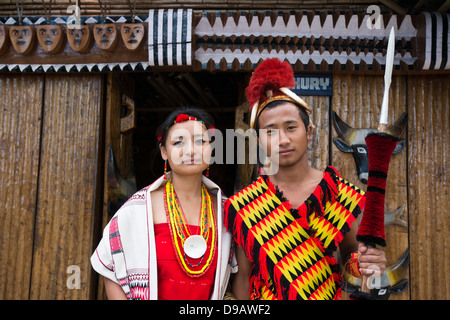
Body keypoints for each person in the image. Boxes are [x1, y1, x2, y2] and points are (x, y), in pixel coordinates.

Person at [224, 58, 386, 300]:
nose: (283, 140)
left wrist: (367, 264)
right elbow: (243, 280)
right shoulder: (244, 206)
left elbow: (353, 260)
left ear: (308, 133)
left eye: (291, 127)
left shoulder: (342, 194)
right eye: (270, 131)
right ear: (258, 141)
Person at [91, 107, 236, 300]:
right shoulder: (139, 209)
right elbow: (109, 265)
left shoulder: (227, 210)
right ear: (164, 152)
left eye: (200, 141)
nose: (191, 150)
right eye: (178, 142)